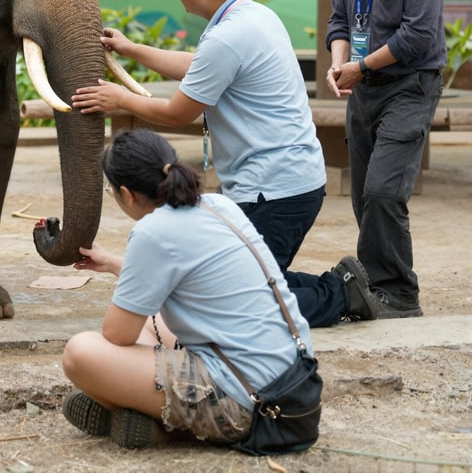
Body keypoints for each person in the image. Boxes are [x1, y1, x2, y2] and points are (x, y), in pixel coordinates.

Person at [72, 0, 381, 326]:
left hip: (275, 192)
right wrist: (133, 49)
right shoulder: (252, 16)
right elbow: (200, 64)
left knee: (235, 301)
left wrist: (120, 100)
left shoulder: (228, 36)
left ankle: (340, 295)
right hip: (288, 182)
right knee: (236, 278)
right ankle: (342, 286)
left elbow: (179, 112)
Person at [61, 128, 315, 449]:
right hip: (298, 387)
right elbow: (189, 275)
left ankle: (163, 425)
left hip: (253, 405)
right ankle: (146, 414)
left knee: (81, 353)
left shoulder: (151, 232)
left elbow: (116, 336)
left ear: (127, 194)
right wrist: (115, 264)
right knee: (150, 319)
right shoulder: (219, 205)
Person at [326, 0, 447, 318]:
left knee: (383, 191)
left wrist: (361, 66)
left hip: (410, 85)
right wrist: (341, 65)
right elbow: (340, 19)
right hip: (364, 86)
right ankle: (375, 285)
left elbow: (418, 36)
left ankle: (400, 295)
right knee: (362, 195)